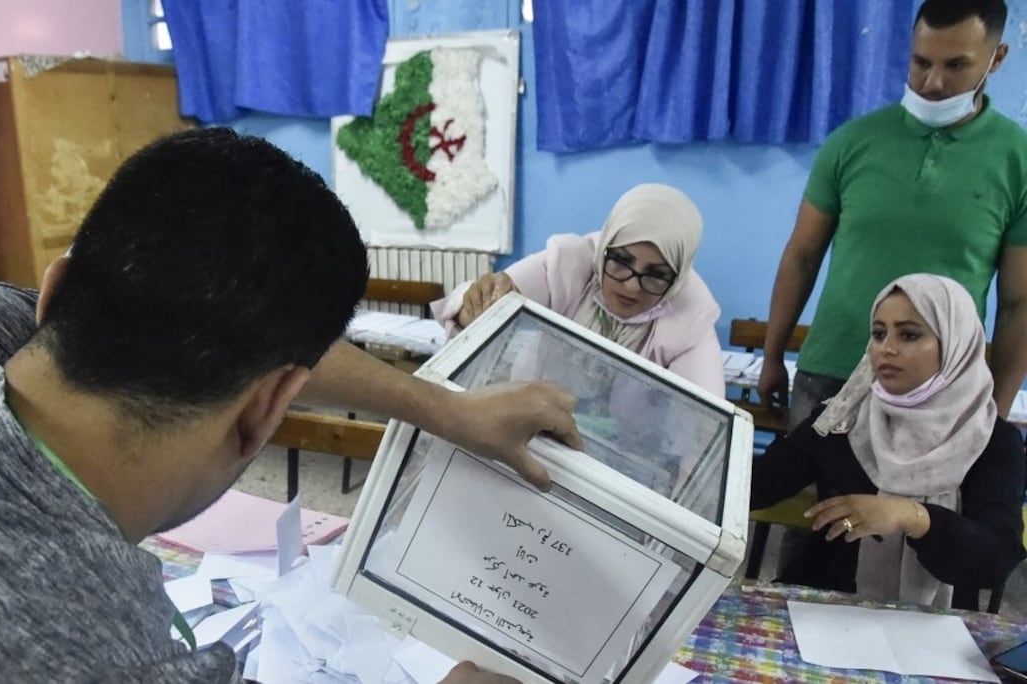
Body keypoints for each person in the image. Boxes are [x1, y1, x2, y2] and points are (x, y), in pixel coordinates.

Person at [0, 128, 582, 682]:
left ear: (49, 296)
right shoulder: (117, 656)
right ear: (268, 408)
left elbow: (252, 341)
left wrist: (448, 409)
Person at [758, 0, 1027, 430]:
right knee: (814, 499)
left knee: (915, 502)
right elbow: (802, 256)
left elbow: (1018, 304)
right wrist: (773, 355)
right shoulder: (852, 142)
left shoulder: (1019, 162)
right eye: (921, 62)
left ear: (997, 59)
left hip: (941, 390)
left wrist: (995, 408)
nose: (933, 82)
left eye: (956, 65)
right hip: (831, 373)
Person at [751, 274, 1026, 608]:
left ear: (956, 344)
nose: (887, 348)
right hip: (823, 604)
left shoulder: (992, 441)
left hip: (931, 625)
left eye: (909, 335)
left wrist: (912, 517)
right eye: (879, 334)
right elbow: (759, 483)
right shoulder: (841, 418)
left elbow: (995, 559)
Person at [432, 183, 725, 397]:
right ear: (604, 250)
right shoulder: (570, 263)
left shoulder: (692, 319)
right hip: (527, 415)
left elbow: (703, 424)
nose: (632, 285)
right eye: (621, 262)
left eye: (656, 276)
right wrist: (474, 307)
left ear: (676, 280)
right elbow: (484, 296)